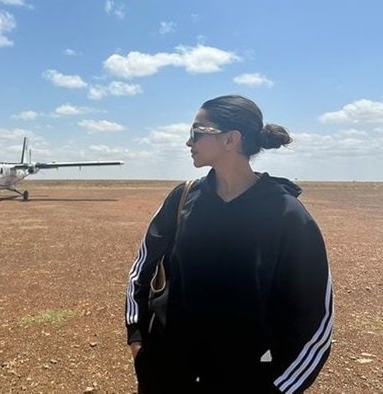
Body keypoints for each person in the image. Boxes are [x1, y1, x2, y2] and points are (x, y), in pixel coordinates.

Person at [125, 94, 333, 393]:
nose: (188, 142)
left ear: (231, 140)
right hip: (165, 372)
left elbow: (316, 316)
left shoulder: (287, 214)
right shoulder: (182, 199)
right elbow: (141, 270)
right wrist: (137, 341)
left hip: (241, 377)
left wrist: (277, 388)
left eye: (197, 132)